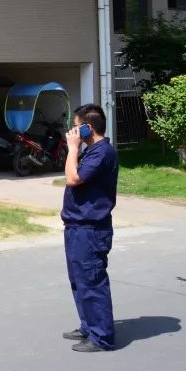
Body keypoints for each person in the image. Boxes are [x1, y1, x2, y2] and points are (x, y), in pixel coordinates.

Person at [61, 103, 118, 352]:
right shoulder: (91, 151)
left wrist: (73, 148)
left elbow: (73, 178)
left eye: (76, 126)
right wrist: (76, 150)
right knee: (79, 280)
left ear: (88, 127)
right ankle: (89, 326)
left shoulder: (101, 152)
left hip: (91, 229)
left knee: (92, 281)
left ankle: (102, 337)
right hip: (77, 226)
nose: (72, 131)